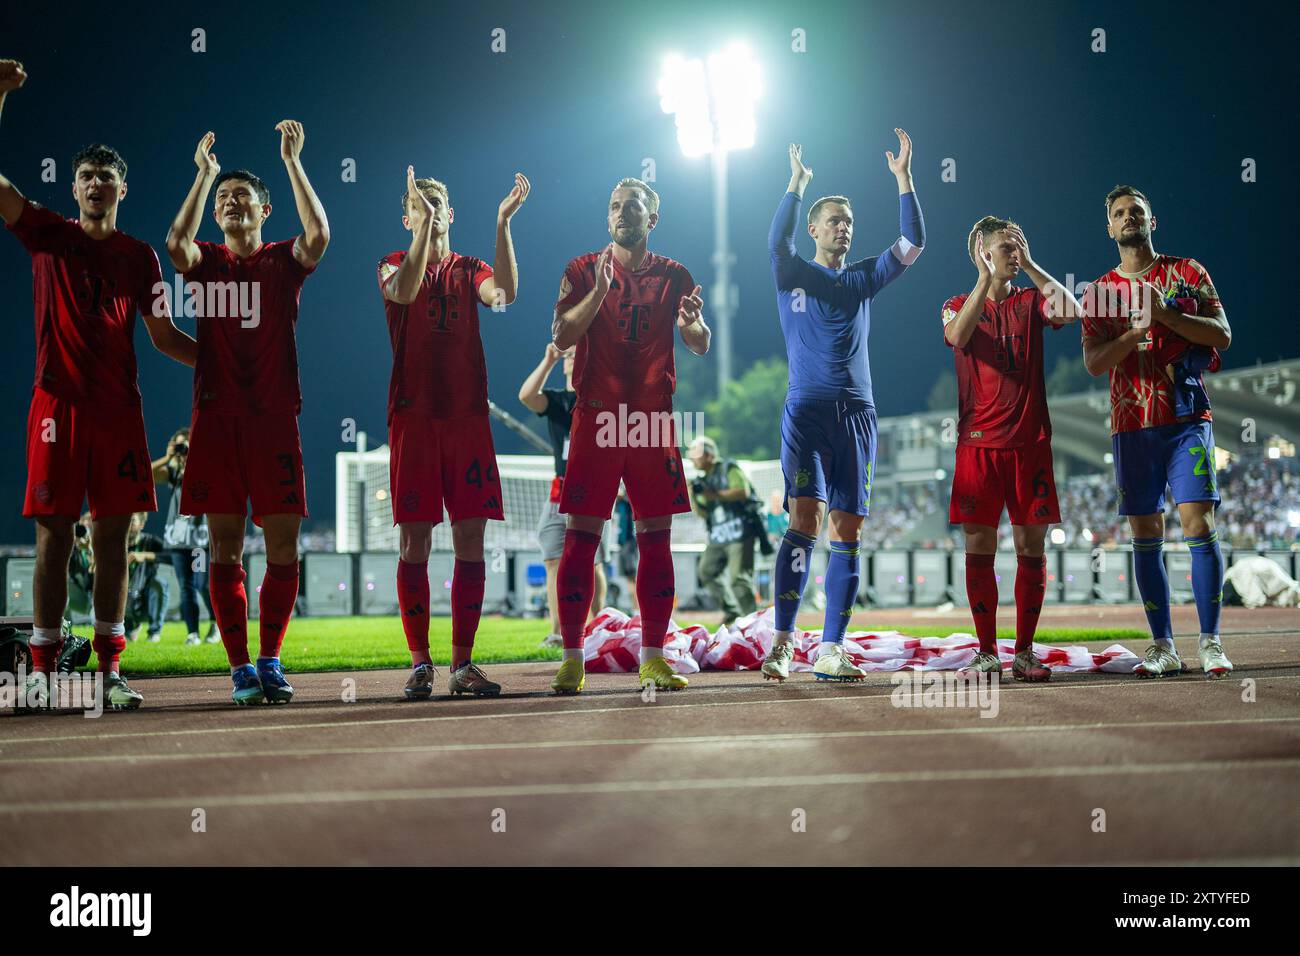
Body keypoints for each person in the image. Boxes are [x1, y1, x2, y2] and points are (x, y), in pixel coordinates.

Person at [0, 58, 197, 710]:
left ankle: (109, 669)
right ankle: (43, 669)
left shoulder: (139, 257)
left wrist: (219, 361)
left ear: (122, 190)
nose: (93, 184)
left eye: (104, 177)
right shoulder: (47, 235)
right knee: (54, 538)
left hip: (119, 411)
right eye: (84, 176)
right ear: (75, 187)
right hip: (56, 405)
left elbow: (165, 337)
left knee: (114, 539)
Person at [164, 124, 329, 704]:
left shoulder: (283, 260)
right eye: (222, 199)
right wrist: (203, 175)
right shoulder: (204, 261)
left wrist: (291, 161)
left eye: (240, 195)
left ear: (264, 208)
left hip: (275, 420)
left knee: (284, 546)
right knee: (224, 549)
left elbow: (320, 232)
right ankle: (239, 669)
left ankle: (270, 659)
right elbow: (174, 241)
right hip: (215, 421)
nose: (230, 202)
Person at [761, 135, 925, 683]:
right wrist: (795, 186)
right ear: (814, 228)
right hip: (806, 415)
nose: (843, 227)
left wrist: (904, 178)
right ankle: (783, 643)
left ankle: (831, 648)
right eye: (833, 219)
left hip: (857, 416)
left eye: (849, 220)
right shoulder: (792, 274)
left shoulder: (863, 278)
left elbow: (913, 243)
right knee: (803, 520)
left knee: (847, 530)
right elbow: (774, 243)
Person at [549, 177, 710, 694]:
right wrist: (598, 292)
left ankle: (654, 656)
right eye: (615, 205)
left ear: (652, 219)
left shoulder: (675, 275)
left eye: (633, 206)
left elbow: (699, 343)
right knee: (580, 538)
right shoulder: (581, 269)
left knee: (655, 539)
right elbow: (561, 336)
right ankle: (572, 656)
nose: (622, 213)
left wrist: (692, 326)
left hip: (650, 419)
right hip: (595, 417)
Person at [380, 167, 529, 699]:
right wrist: (423, 233)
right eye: (419, 204)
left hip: (466, 418)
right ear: (408, 217)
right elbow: (403, 292)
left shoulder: (471, 268)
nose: (430, 209)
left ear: (450, 213)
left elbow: (505, 297)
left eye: (437, 203)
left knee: (471, 537)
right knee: (414, 540)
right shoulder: (393, 262)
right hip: (414, 419)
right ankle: (421, 664)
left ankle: (463, 666)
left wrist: (503, 222)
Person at [1082, 185, 1232, 679]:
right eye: (1120, 213)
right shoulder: (1099, 292)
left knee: (1198, 524)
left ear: (1153, 221)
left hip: (1187, 419)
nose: (1129, 218)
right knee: (1145, 534)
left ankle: (1210, 641)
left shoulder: (1188, 272)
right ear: (1109, 227)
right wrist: (1130, 334)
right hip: (1132, 426)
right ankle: (1163, 645)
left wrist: (1167, 315)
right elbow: (1093, 363)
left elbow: (1222, 335)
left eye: (1137, 212)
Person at [941, 217, 1084, 681]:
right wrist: (984, 277)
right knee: (979, 546)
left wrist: (1033, 262)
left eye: (1019, 243)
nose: (1014, 252)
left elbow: (1071, 311)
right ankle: (986, 651)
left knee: (1030, 547)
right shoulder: (957, 304)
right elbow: (957, 337)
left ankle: (1024, 651)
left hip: (1030, 444)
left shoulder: (1030, 301)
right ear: (982, 250)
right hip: (978, 445)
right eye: (1006, 245)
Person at [518, 342, 607, 646]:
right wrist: (549, 361)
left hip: (592, 486)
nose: (571, 360)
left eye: (574, 355)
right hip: (560, 489)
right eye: (568, 356)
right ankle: (557, 631)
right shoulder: (558, 402)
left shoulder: (600, 400)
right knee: (553, 557)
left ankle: (598, 624)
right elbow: (527, 396)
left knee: (591, 560)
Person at [151, 427, 218, 646]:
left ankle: (216, 624)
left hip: (198, 541)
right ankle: (193, 633)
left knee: (201, 584)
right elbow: (147, 474)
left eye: (185, 445)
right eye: (180, 445)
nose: (183, 450)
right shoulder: (173, 471)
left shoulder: (204, 467)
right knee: (186, 586)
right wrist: (169, 456)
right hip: (178, 541)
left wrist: (194, 456)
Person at [687, 435, 758, 627]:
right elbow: (703, 513)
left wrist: (714, 494)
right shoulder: (703, 479)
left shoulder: (729, 468)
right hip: (718, 535)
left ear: (709, 455)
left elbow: (743, 491)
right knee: (706, 570)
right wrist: (695, 495)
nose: (692, 458)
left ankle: (754, 623)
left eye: (696, 453)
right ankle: (732, 612)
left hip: (740, 532)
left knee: (739, 579)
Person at [123, 512, 169, 643]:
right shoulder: (117, 544)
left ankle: (154, 632)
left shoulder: (150, 541)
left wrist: (145, 555)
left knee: (160, 583)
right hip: (123, 599)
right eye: (126, 520)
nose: (127, 524)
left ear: (142, 524)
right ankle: (128, 627)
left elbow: (172, 556)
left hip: (145, 599)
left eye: (132, 521)